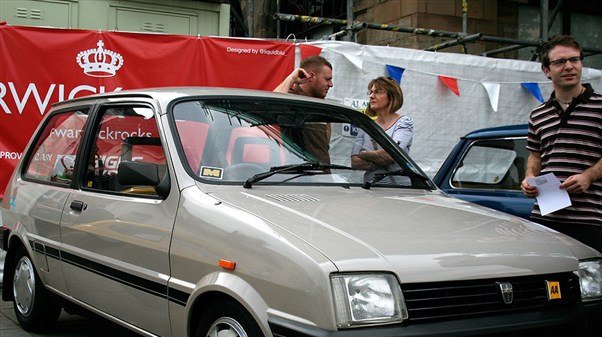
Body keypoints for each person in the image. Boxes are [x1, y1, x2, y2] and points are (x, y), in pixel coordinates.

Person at [520, 35, 602, 252]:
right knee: (548, 280)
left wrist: (588, 176)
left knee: (590, 283)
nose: (569, 66)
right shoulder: (538, 114)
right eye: (559, 62)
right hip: (545, 215)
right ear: (547, 71)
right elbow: (535, 155)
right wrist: (529, 177)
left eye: (574, 60)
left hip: (591, 217)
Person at [274, 55, 334, 163]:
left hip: (323, 176)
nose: (331, 84)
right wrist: (291, 78)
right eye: (327, 79)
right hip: (298, 176)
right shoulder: (291, 99)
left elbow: (324, 149)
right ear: (311, 76)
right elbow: (272, 102)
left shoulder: (322, 106)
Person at [351, 76, 413, 171]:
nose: (371, 96)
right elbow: (355, 163)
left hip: (397, 185)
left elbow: (390, 155)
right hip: (370, 184)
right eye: (371, 92)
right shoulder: (366, 125)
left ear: (392, 96)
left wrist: (364, 154)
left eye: (377, 92)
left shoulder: (403, 123)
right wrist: (382, 159)